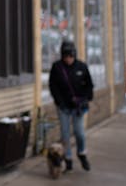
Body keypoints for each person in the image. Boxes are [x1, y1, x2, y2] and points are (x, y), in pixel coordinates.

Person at [48, 38, 94, 172]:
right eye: (65, 56)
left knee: (79, 133)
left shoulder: (82, 67)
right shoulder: (57, 67)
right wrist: (59, 101)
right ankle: (67, 159)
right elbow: (53, 86)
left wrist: (86, 99)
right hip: (63, 107)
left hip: (78, 107)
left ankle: (82, 154)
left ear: (74, 55)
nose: (68, 59)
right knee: (65, 134)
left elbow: (89, 86)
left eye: (70, 56)